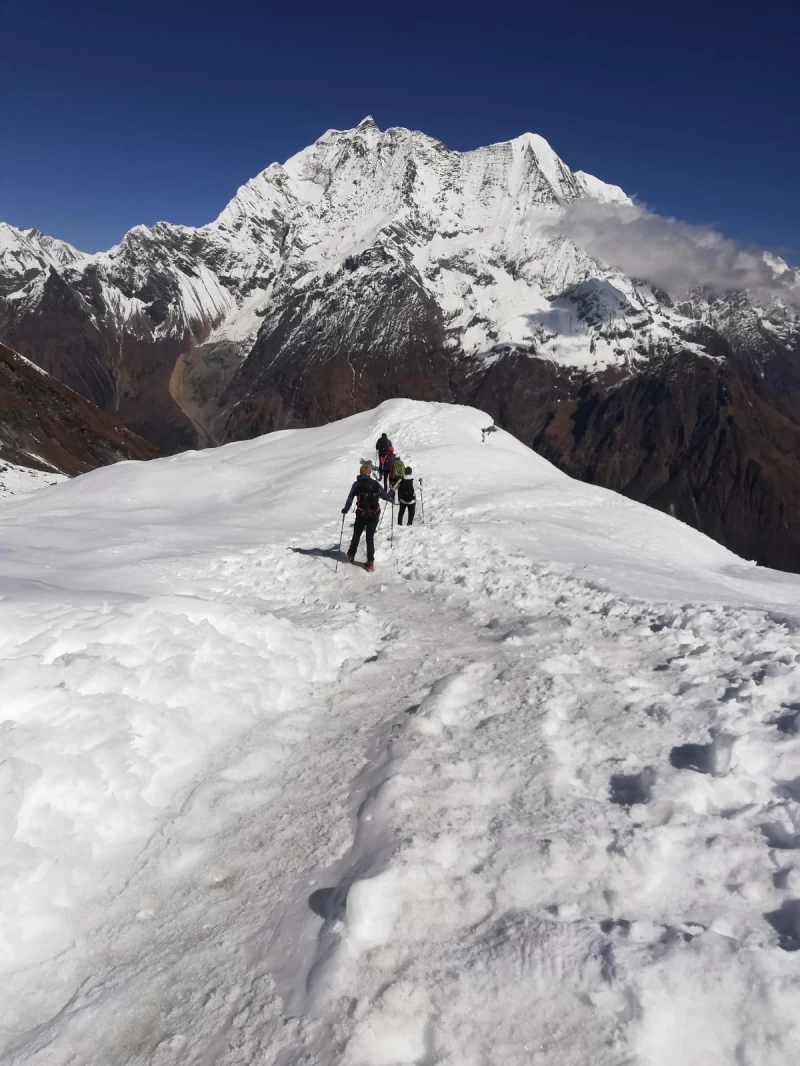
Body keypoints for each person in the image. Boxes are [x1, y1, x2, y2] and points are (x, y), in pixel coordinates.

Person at [342, 464, 395, 571]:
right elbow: (386, 497)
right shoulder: (376, 484)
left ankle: (351, 554)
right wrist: (392, 491)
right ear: (369, 473)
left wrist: (346, 509)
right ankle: (370, 563)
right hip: (374, 515)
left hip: (361, 514)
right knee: (369, 539)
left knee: (356, 534)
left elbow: (350, 497)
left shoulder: (357, 484)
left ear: (361, 472)